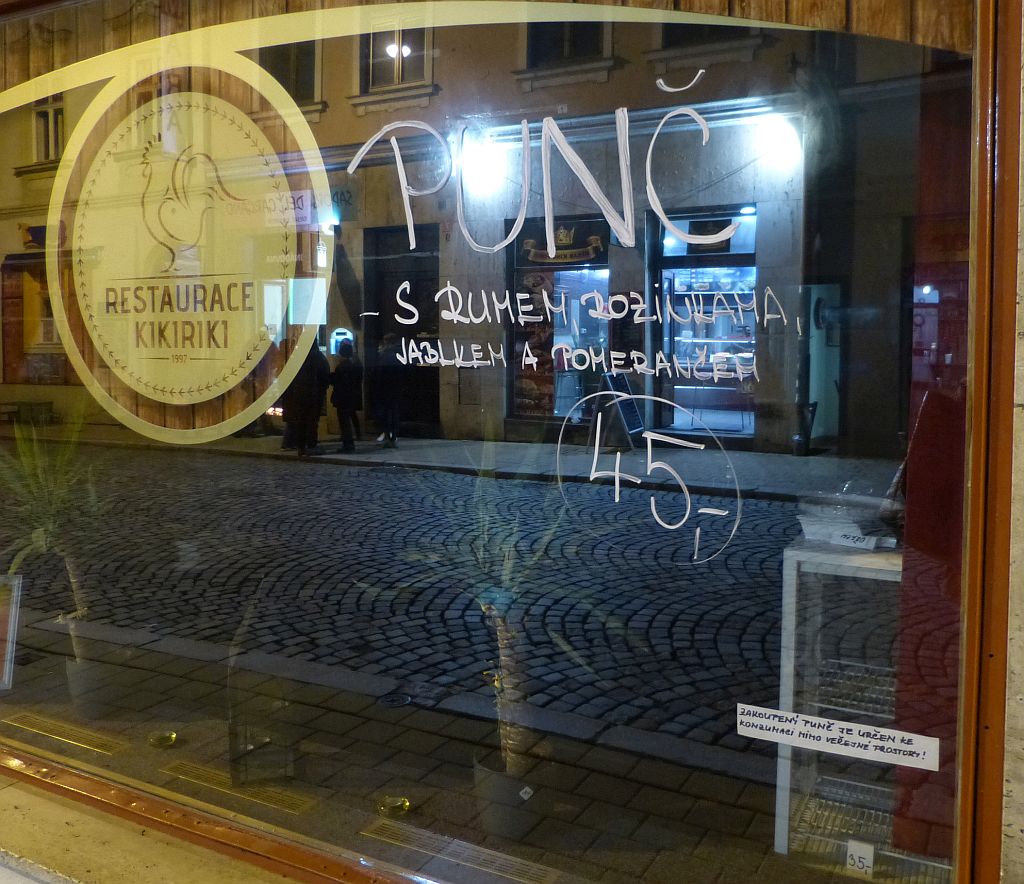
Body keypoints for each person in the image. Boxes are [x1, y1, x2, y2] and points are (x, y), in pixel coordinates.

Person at [280, 341, 330, 456]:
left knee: (301, 421)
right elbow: (324, 376)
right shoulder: (318, 357)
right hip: (313, 395)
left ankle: (301, 447)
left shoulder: (298, 358)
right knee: (312, 421)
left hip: (299, 395)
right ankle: (311, 445)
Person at [330, 341, 363, 452]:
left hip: (343, 398)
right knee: (350, 418)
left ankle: (347, 445)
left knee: (344, 422)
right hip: (352, 397)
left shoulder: (341, 367)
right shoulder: (354, 365)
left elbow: (337, 382)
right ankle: (352, 440)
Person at [372, 333, 403, 448]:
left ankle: (389, 438)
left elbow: (381, 375)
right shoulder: (397, 355)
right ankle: (392, 437)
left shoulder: (386, 356)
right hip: (393, 390)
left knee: (387, 415)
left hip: (386, 391)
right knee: (393, 414)